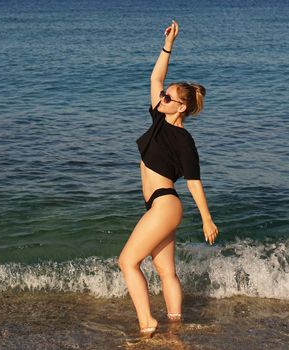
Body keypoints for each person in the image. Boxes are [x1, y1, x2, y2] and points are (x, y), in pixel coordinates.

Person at [118, 20, 219, 336]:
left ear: (182, 106)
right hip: (160, 207)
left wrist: (207, 219)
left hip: (165, 205)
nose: (161, 98)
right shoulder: (159, 120)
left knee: (127, 262)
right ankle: (176, 325)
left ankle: (147, 323)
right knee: (165, 271)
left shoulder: (184, 140)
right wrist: (169, 44)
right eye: (162, 96)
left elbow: (193, 181)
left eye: (167, 98)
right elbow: (155, 77)